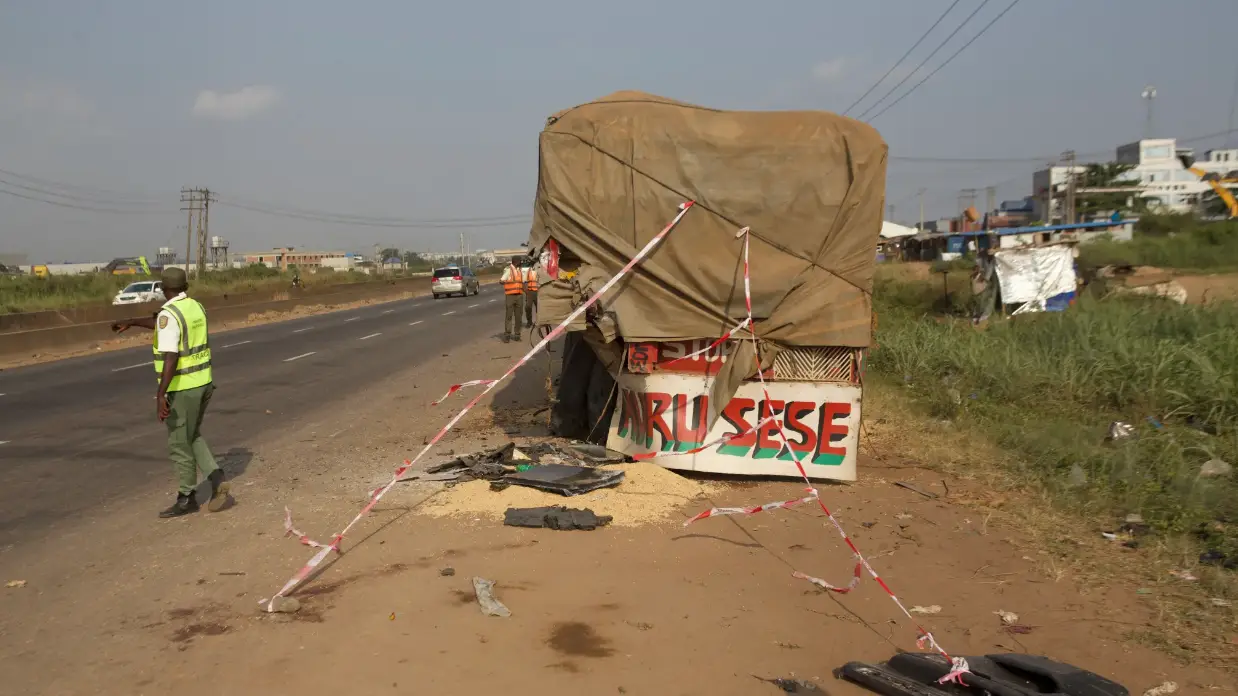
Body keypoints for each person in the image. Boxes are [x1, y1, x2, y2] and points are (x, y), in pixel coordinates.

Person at [113, 267, 230, 518]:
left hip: (183, 387)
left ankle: (186, 497)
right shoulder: (194, 306)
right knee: (192, 435)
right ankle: (217, 478)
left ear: (164, 289)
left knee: (179, 442)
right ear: (184, 287)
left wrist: (160, 395)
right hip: (204, 383)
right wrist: (133, 322)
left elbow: (171, 355)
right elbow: (163, 324)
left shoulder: (169, 314)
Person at [500, 256, 525, 342]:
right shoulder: (508, 270)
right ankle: (507, 335)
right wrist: (504, 281)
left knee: (519, 316)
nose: (521, 263)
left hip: (519, 296)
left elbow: (522, 282)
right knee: (509, 316)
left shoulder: (519, 270)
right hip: (510, 296)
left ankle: (517, 335)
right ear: (516, 261)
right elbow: (501, 280)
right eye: (520, 261)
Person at [523, 260, 539, 329]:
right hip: (529, 292)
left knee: (538, 308)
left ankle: (539, 321)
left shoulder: (539, 270)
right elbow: (524, 281)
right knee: (528, 307)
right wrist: (525, 290)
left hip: (538, 292)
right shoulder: (528, 271)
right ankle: (529, 322)